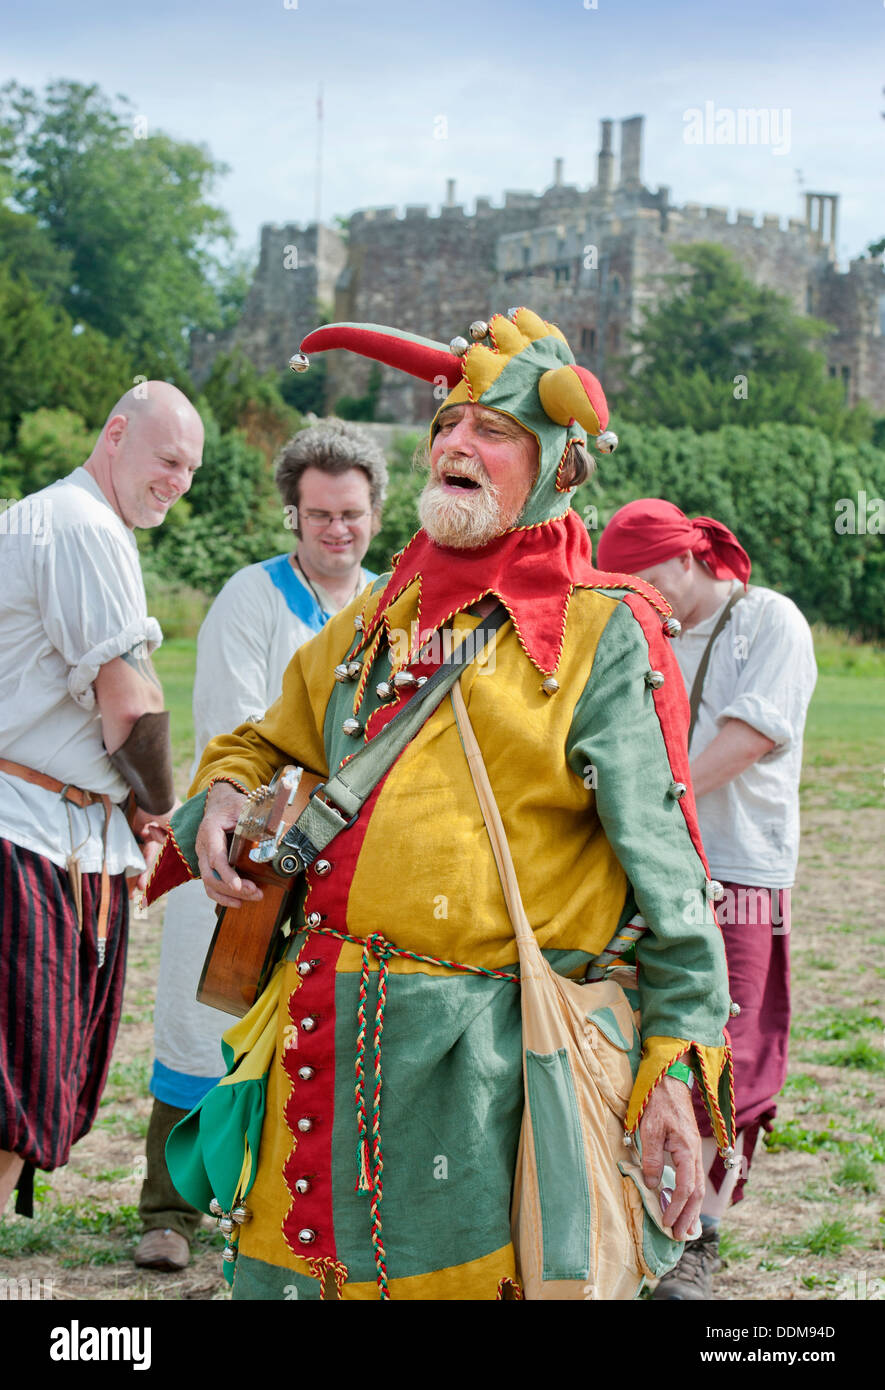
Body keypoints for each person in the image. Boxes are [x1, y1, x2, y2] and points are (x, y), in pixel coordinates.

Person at [150, 309, 735, 1301]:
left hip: (479, 1073)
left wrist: (676, 1071)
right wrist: (224, 790)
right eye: (448, 426)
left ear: (555, 464)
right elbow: (264, 739)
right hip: (317, 1039)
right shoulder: (383, 615)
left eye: (493, 430)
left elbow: (672, 883)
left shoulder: (605, 635)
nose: (457, 443)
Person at [134, 419, 386, 1271]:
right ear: (294, 515)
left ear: (375, 513)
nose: (335, 530)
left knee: (312, 1035)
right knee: (204, 1019)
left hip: (355, 855)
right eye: (318, 514)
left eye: (350, 513)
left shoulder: (397, 606)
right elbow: (239, 731)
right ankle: (168, 1212)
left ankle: (277, 1214)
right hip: (245, 842)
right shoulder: (252, 597)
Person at [597, 498, 817, 1299]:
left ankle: (698, 1234)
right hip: (645, 866)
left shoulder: (770, 623)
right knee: (639, 1036)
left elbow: (751, 734)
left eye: (645, 581)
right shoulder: (633, 624)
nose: (635, 599)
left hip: (740, 871)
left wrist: (650, 797)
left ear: (687, 561)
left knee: (731, 1054)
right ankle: (631, 1219)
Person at [0, 382, 203, 1216]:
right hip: (29, 839)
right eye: (166, 459)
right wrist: (159, 801)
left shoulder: (52, 518)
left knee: (32, 1089)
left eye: (190, 468)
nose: (178, 481)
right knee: (17, 1094)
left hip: (57, 832)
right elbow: (132, 701)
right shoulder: (82, 525)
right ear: (114, 433)